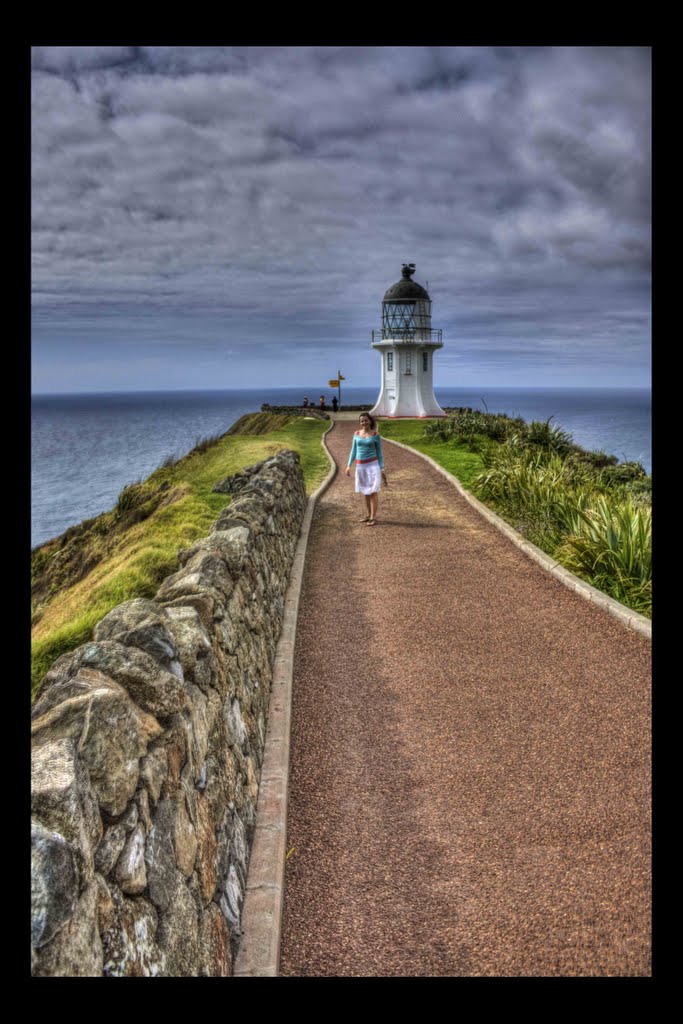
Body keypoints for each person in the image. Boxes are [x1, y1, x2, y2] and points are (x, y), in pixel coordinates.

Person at [345, 412, 387, 525]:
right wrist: (349, 465)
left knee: (373, 491)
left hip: (373, 466)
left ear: (370, 421)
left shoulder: (375, 435)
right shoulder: (356, 434)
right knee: (365, 492)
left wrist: (382, 468)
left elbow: (379, 453)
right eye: (362, 421)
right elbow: (353, 451)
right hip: (361, 466)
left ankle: (373, 517)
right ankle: (368, 515)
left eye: (366, 420)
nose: (364, 422)